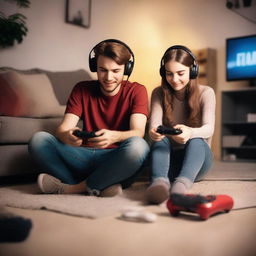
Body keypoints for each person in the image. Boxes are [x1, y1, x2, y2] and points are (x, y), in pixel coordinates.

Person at [28, 39, 149, 197]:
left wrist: (114, 136)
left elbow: (138, 132)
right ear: (95, 68)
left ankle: (71, 188)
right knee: (38, 140)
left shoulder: (137, 90)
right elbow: (63, 129)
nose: (108, 77)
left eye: (115, 71)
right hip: (82, 156)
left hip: (116, 159)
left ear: (126, 68)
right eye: (102, 70)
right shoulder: (81, 89)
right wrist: (67, 136)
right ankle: (102, 185)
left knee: (139, 146)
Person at [146, 45, 216, 204]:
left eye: (180, 73)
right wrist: (154, 132)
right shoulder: (158, 92)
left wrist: (190, 132)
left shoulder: (207, 92)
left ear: (192, 71)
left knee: (197, 140)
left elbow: (209, 129)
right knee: (159, 139)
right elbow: (154, 126)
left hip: (197, 162)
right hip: (168, 162)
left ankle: (181, 185)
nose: (174, 79)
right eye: (169, 74)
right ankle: (160, 183)